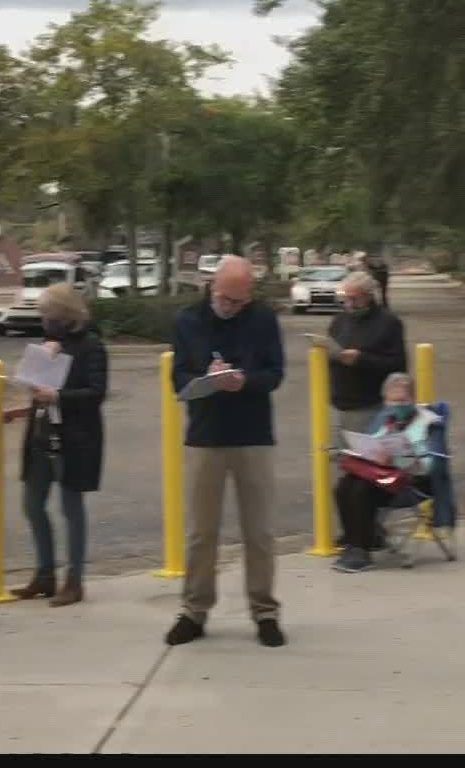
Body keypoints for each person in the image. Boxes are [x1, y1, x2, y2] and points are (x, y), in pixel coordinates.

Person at [167, 255, 286, 649]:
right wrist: (207, 380)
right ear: (211, 286)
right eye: (223, 297)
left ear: (248, 296)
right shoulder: (188, 321)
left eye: (237, 301)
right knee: (201, 532)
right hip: (206, 436)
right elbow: (178, 378)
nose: (229, 306)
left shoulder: (263, 320)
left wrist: (244, 381)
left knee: (260, 533)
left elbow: (275, 373)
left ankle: (265, 612)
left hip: (253, 435)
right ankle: (194, 611)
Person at [13, 284, 108, 607]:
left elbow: (96, 392)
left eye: (48, 315)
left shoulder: (91, 346)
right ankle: (44, 574)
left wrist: (58, 395)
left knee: (71, 507)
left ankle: (75, 580)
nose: (44, 321)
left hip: (74, 438)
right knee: (32, 503)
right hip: (42, 433)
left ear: (66, 315)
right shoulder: (48, 345)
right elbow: (38, 382)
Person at [333, 373, 438, 572]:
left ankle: (361, 550)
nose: (397, 405)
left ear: (413, 399)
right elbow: (373, 443)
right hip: (383, 474)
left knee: (361, 489)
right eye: (392, 401)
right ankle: (356, 541)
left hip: (412, 482)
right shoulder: (385, 420)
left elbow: (427, 465)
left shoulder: (427, 422)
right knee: (343, 486)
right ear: (385, 401)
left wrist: (398, 459)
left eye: (403, 400)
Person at [327, 271, 407, 432]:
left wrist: (361, 359)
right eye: (345, 298)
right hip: (339, 404)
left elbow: (398, 365)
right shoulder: (340, 319)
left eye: (354, 298)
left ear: (369, 296)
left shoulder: (388, 322)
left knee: (364, 455)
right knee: (338, 456)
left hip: (370, 405)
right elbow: (332, 347)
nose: (348, 303)